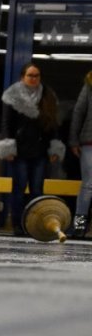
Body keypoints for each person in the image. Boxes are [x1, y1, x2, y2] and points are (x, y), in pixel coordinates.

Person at [0, 62, 65, 234]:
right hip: (19, 151)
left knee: (37, 190)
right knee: (18, 189)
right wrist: (8, 147)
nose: (34, 79)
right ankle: (17, 225)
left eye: (37, 75)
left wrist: (54, 148)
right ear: (23, 77)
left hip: (40, 150)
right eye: (30, 75)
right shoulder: (11, 95)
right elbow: (6, 123)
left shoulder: (47, 96)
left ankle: (33, 225)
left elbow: (53, 125)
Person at [68, 70, 92, 238]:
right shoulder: (89, 84)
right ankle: (79, 227)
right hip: (89, 141)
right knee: (88, 186)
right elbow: (78, 111)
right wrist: (74, 140)